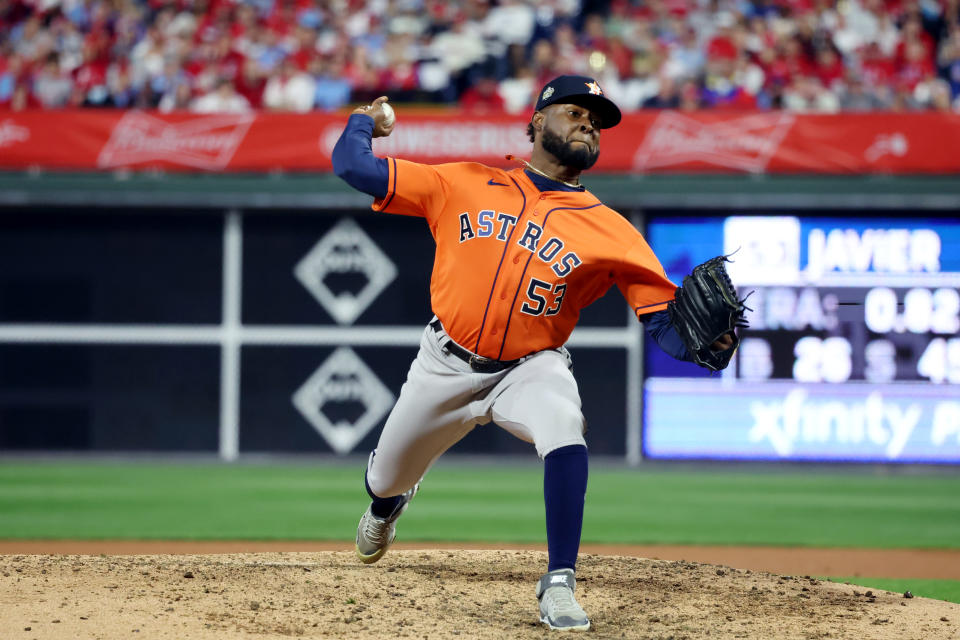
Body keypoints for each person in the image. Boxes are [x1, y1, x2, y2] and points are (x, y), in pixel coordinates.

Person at [330, 75, 735, 632]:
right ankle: (386, 505)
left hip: (531, 366)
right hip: (443, 364)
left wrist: (703, 347)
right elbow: (354, 168)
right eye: (576, 112)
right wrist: (362, 123)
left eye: (596, 119)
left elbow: (663, 324)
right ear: (538, 121)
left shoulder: (612, 231)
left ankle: (560, 582)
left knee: (564, 424)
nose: (589, 123)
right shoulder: (464, 182)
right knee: (385, 478)